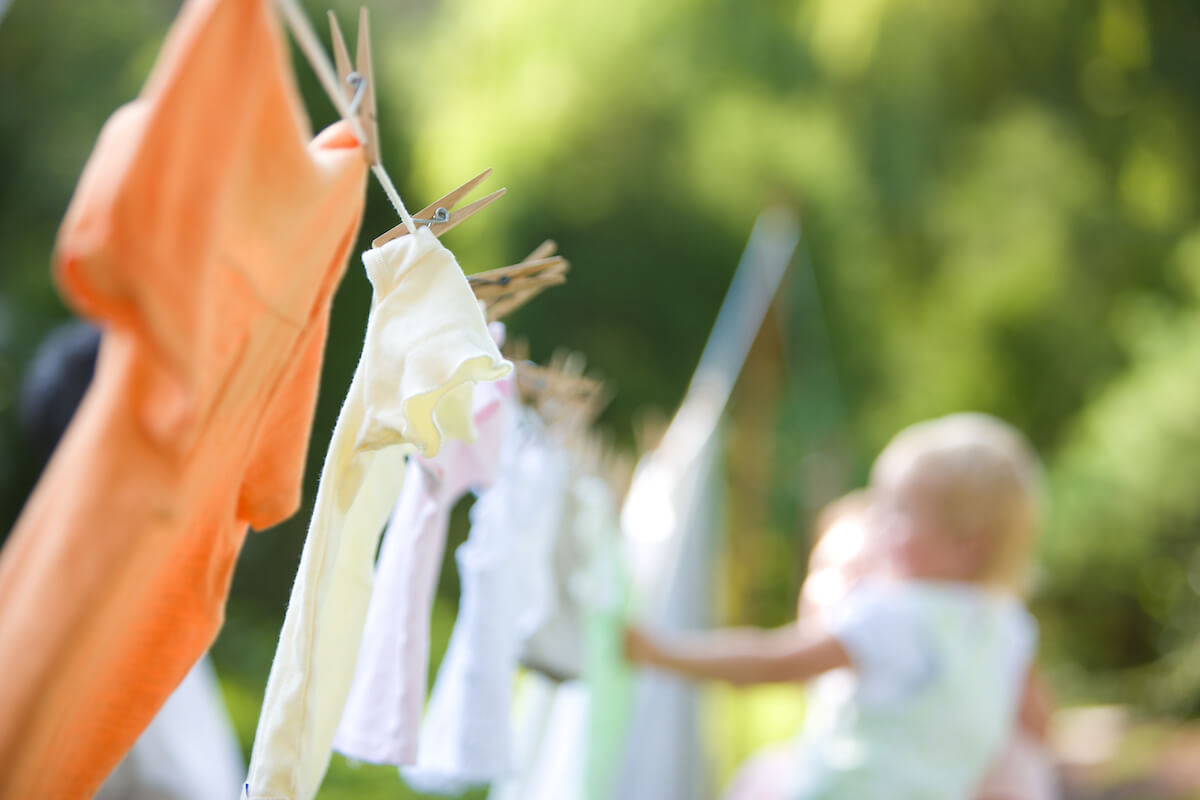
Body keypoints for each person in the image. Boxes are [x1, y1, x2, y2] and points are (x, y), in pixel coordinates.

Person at [626, 413, 1044, 799]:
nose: (878, 524)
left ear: (964, 546)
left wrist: (661, 652)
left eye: (899, 511)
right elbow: (1037, 723)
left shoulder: (892, 616)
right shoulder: (1009, 626)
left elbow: (771, 662)